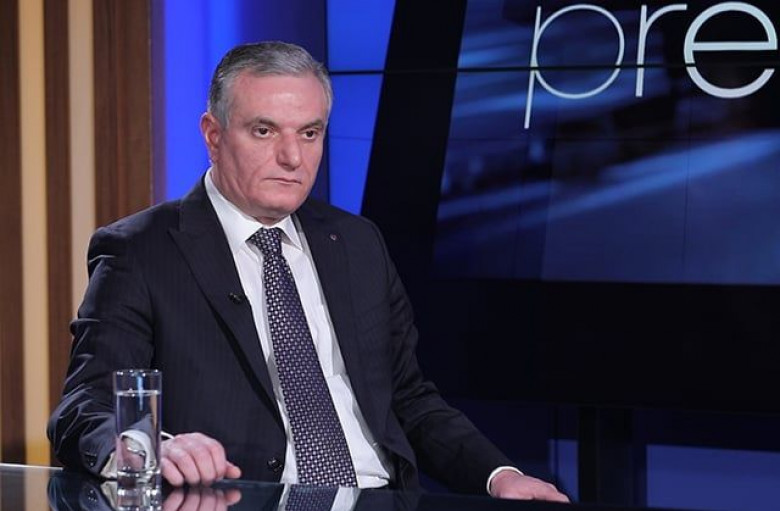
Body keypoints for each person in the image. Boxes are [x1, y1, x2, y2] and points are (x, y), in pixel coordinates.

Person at [47, 41, 568, 503]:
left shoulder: (357, 242)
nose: (292, 157)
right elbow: (83, 408)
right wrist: (146, 447)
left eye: (310, 133)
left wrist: (498, 475)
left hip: (381, 498)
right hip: (243, 498)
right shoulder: (141, 250)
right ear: (213, 134)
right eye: (264, 130)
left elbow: (409, 399)